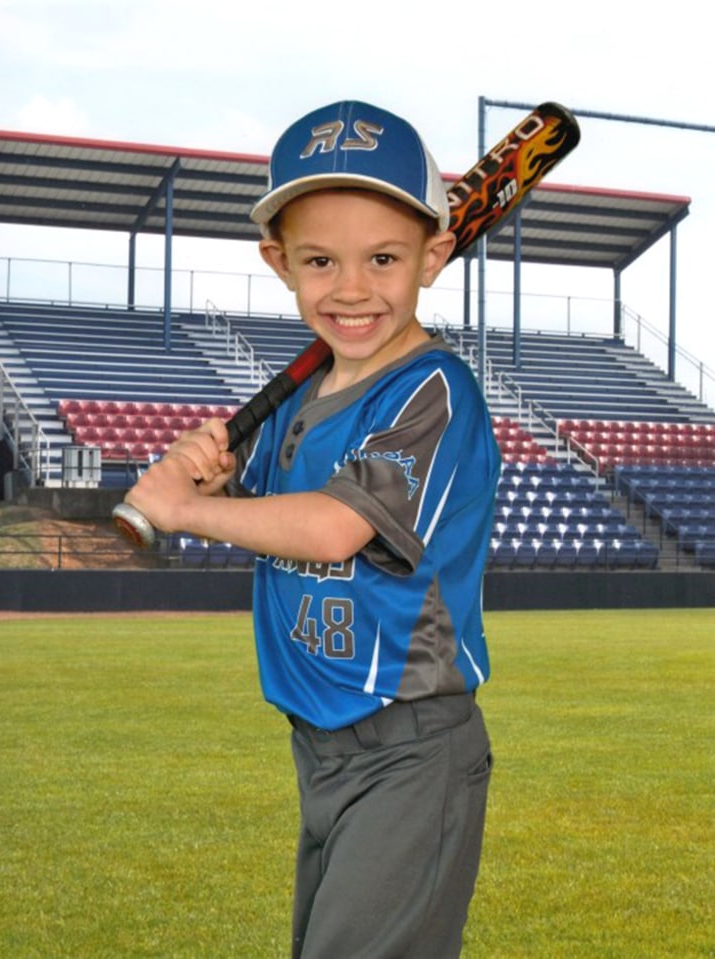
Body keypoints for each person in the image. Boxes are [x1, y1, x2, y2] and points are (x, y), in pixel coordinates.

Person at [124, 99, 501, 958]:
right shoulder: (297, 397)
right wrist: (222, 479)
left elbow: (333, 528)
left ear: (434, 256)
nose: (354, 288)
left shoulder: (432, 392)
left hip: (409, 747)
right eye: (321, 261)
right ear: (279, 261)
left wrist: (189, 508)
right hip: (319, 745)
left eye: (384, 258)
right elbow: (271, 516)